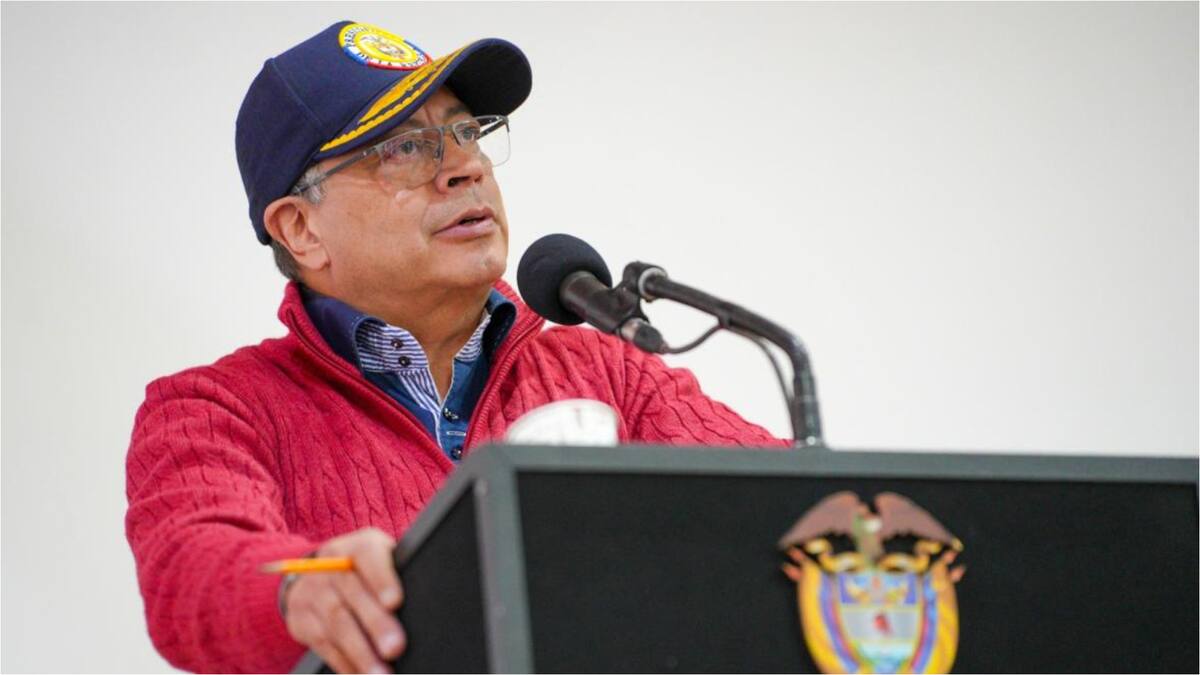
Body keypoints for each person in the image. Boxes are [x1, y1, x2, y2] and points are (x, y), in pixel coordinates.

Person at [124, 20, 786, 674]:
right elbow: (194, 566)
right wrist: (299, 589)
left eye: (468, 132)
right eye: (405, 148)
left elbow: (779, 509)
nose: (465, 167)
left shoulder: (610, 372)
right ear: (301, 229)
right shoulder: (214, 408)